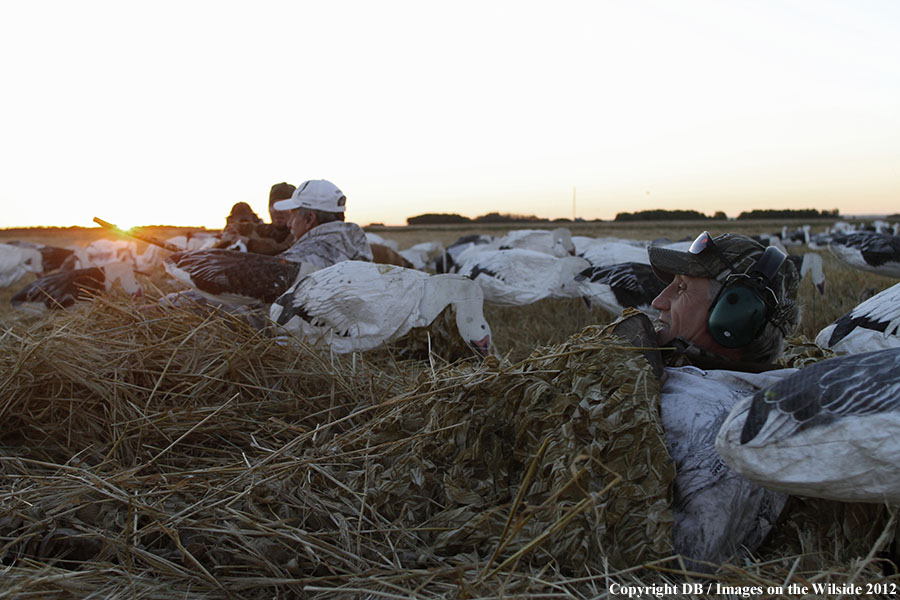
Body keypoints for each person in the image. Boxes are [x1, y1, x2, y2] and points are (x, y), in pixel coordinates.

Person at [631, 231, 802, 570]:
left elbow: (676, 566)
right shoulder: (685, 375)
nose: (658, 302)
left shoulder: (723, 428)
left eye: (681, 288)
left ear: (734, 317)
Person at [274, 179, 373, 270]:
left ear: (309, 219)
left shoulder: (295, 260)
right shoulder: (361, 253)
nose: (289, 223)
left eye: (293, 215)